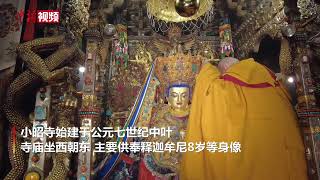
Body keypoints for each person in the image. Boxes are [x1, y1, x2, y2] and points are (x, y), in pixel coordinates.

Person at [181, 57, 308, 180]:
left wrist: (206, 69)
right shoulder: (276, 88)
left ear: (225, 70)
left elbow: (208, 93)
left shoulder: (223, 90)